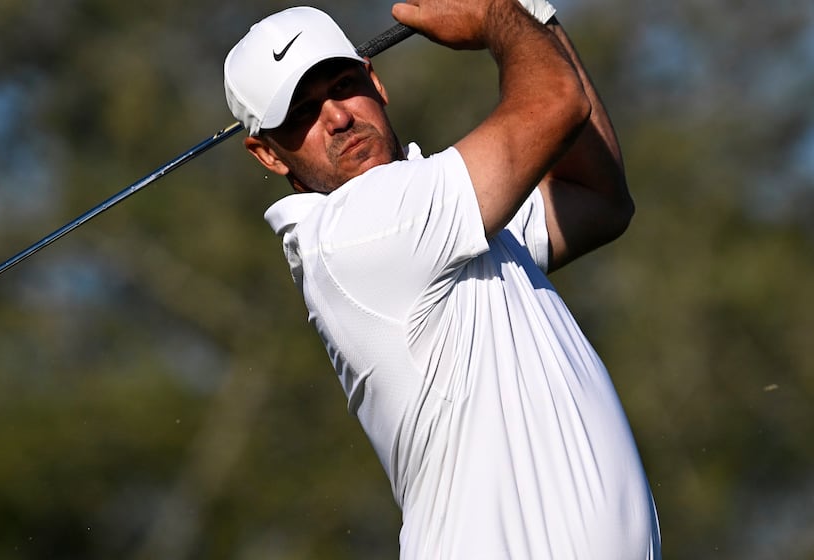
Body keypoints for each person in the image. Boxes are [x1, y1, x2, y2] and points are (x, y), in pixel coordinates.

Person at [223, 0, 661, 558]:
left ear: (374, 80)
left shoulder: (439, 219)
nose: (337, 118)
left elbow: (599, 200)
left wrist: (534, 15)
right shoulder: (357, 231)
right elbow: (557, 101)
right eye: (302, 114)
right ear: (267, 153)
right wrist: (500, 15)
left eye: (343, 84)